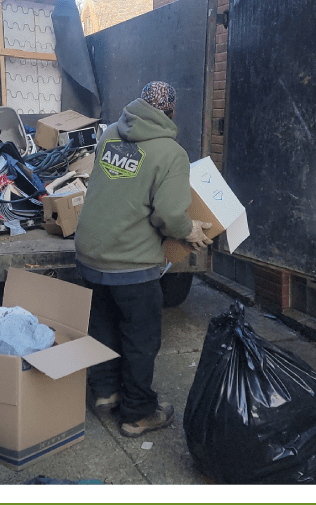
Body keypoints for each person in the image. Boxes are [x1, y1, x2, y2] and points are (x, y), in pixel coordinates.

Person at [74, 81, 212, 438]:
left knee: (102, 324)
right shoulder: (170, 152)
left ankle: (105, 392)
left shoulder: (109, 135)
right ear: (171, 112)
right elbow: (168, 213)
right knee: (140, 338)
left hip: (90, 253)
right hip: (130, 263)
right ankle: (137, 413)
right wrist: (190, 229)